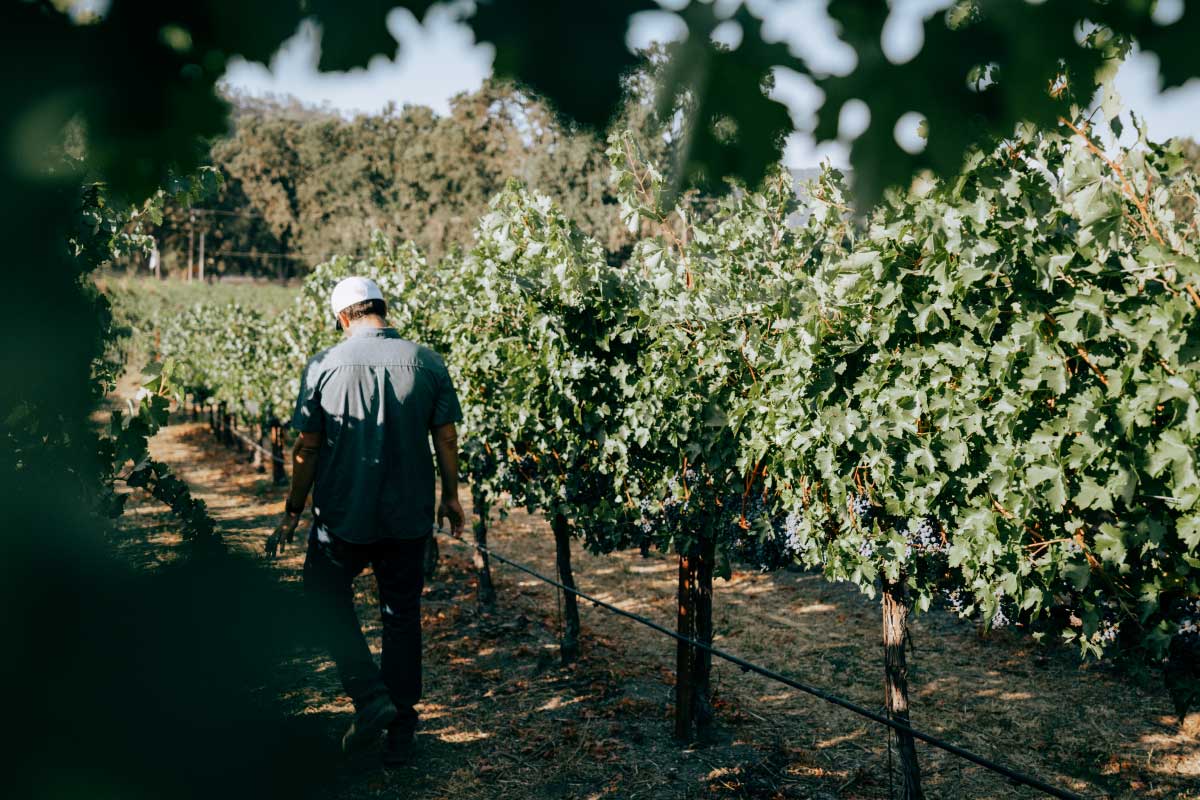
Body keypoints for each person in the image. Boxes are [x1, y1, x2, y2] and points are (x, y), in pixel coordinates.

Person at [265, 275, 466, 766]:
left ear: (342, 317)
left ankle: (368, 694)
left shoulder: (324, 366)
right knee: (401, 618)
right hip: (408, 516)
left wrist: (293, 510)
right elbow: (446, 439)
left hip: (342, 515)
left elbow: (308, 448)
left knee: (322, 594)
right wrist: (452, 498)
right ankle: (401, 734)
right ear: (383, 308)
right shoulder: (427, 361)